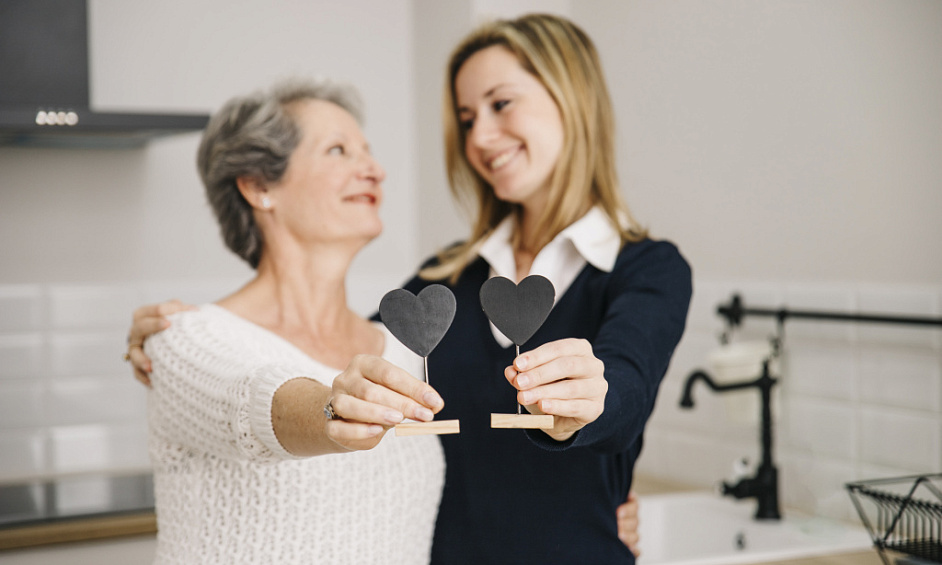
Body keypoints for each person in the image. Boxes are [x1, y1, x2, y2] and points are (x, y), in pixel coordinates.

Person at [128, 13, 687, 564]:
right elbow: (326, 356)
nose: (481, 137)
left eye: (501, 104)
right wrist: (179, 341)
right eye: (467, 118)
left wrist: (592, 406)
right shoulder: (443, 283)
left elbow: (627, 389)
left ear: (573, 99)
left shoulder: (646, 270)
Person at [136, 78, 449, 564]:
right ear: (260, 186)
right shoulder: (184, 339)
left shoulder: (403, 350)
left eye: (368, 151)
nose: (374, 170)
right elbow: (250, 402)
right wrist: (331, 408)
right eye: (339, 150)